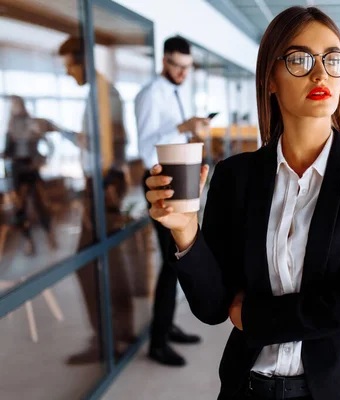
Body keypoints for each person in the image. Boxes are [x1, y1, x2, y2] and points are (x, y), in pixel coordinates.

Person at [146, 6, 340, 400]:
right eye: (300, 59)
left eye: (332, 59)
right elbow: (213, 307)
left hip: (334, 391)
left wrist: (253, 316)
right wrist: (185, 231)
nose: (320, 74)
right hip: (248, 388)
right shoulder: (235, 175)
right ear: (270, 78)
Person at [58, 36, 135, 364]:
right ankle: (119, 332)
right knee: (108, 261)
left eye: (70, 66)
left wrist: (104, 190)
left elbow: (114, 141)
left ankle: (108, 339)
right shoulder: (101, 92)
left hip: (102, 187)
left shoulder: (104, 94)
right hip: (103, 186)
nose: (68, 73)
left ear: (83, 61)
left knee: (89, 264)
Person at [135, 36, 207, 367]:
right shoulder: (150, 94)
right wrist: (183, 125)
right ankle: (158, 342)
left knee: (177, 256)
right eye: (177, 66)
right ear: (164, 61)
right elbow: (147, 150)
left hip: (176, 178)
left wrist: (192, 132)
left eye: (187, 68)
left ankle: (168, 326)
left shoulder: (176, 91)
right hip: (158, 181)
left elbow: (172, 139)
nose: (182, 73)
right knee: (169, 263)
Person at [3, 95, 57, 254]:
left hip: (31, 170)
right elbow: (8, 151)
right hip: (17, 171)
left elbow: (48, 144)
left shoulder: (32, 123)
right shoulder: (11, 127)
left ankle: (49, 236)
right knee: (20, 208)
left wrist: (41, 159)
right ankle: (28, 240)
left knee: (39, 204)